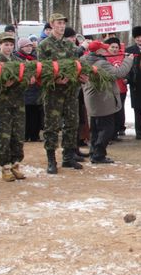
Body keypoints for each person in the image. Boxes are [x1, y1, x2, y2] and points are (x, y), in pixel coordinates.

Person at [37, 12, 87, 174]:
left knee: (72, 124)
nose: (61, 26)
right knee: (52, 126)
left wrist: (81, 76)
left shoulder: (69, 45)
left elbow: (76, 65)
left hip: (71, 90)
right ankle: (51, 159)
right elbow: (41, 70)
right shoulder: (44, 45)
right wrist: (55, 79)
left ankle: (68, 157)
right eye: (58, 23)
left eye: (63, 23)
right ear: (52, 24)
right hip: (53, 92)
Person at [81, 40, 133, 163]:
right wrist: (128, 60)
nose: (107, 50)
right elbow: (119, 73)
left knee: (95, 128)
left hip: (92, 100)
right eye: (104, 48)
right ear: (99, 51)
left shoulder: (84, 59)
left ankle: (94, 151)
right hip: (103, 101)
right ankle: (98, 154)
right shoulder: (101, 63)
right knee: (107, 128)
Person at [0, 32, 27, 182]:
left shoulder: (18, 61)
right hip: (2, 104)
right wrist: (2, 86)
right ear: (0, 45)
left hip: (18, 104)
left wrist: (23, 81)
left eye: (11, 45)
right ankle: (5, 166)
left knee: (18, 135)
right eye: (6, 44)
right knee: (4, 136)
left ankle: (16, 164)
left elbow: (25, 80)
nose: (9, 47)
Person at [126, 25, 141, 139]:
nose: (140, 39)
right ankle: (139, 132)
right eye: (137, 37)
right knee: (137, 110)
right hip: (135, 83)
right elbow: (127, 67)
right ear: (134, 38)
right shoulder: (129, 50)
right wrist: (128, 79)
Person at [15, 38, 42, 142]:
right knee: (26, 114)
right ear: (21, 47)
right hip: (24, 91)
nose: (29, 48)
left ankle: (35, 135)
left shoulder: (35, 57)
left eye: (30, 46)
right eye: (26, 46)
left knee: (36, 114)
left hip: (36, 90)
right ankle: (25, 135)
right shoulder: (17, 58)